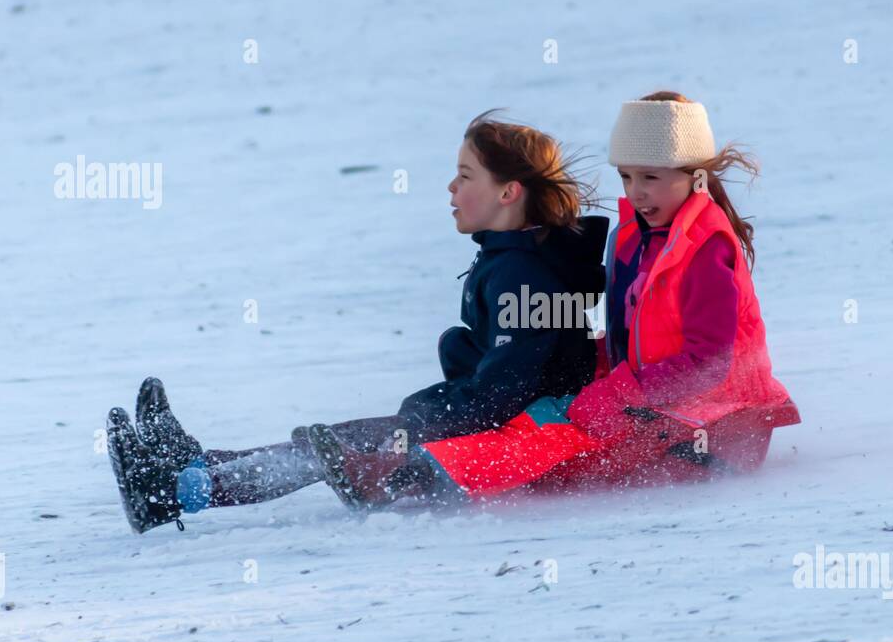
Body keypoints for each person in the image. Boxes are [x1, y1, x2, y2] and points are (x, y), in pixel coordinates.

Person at [107, 112, 607, 532]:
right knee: (340, 438)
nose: (451, 187)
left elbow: (508, 389)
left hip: (516, 429)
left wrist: (429, 420)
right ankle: (192, 464)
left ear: (508, 193)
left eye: (466, 175)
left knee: (341, 446)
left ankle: (174, 492)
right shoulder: (512, 260)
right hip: (497, 413)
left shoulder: (523, 275)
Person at [309, 91, 800, 508]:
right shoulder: (641, 238)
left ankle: (395, 480)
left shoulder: (706, 249)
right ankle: (392, 465)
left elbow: (710, 363)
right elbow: (632, 334)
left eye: (650, 177)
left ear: (694, 176)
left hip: (714, 432)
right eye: (627, 177)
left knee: (554, 441)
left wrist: (619, 393)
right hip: (654, 406)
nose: (636, 191)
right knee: (544, 416)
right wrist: (600, 376)